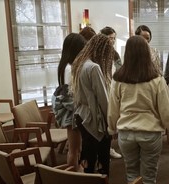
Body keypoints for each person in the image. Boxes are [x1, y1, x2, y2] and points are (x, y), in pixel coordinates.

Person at [107, 35, 169, 184]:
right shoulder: (156, 79)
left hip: (126, 133)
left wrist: (111, 129)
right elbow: (166, 111)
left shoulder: (118, 78)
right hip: (150, 134)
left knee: (132, 173)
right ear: (146, 53)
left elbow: (112, 110)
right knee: (148, 177)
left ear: (127, 54)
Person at [71, 34, 114, 175]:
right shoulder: (94, 68)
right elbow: (103, 99)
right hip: (93, 118)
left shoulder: (79, 63)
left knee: (88, 153)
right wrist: (111, 122)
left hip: (81, 114)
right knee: (102, 156)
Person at [52, 33, 86, 171]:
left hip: (70, 112)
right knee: (74, 150)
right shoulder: (69, 69)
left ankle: (76, 171)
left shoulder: (65, 66)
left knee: (75, 149)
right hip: (71, 113)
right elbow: (69, 97)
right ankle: (73, 177)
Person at [99, 26, 123, 159]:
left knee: (110, 118)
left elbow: (120, 70)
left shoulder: (115, 53)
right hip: (101, 88)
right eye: (109, 38)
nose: (112, 41)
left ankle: (108, 147)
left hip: (112, 87)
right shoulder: (97, 54)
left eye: (114, 38)